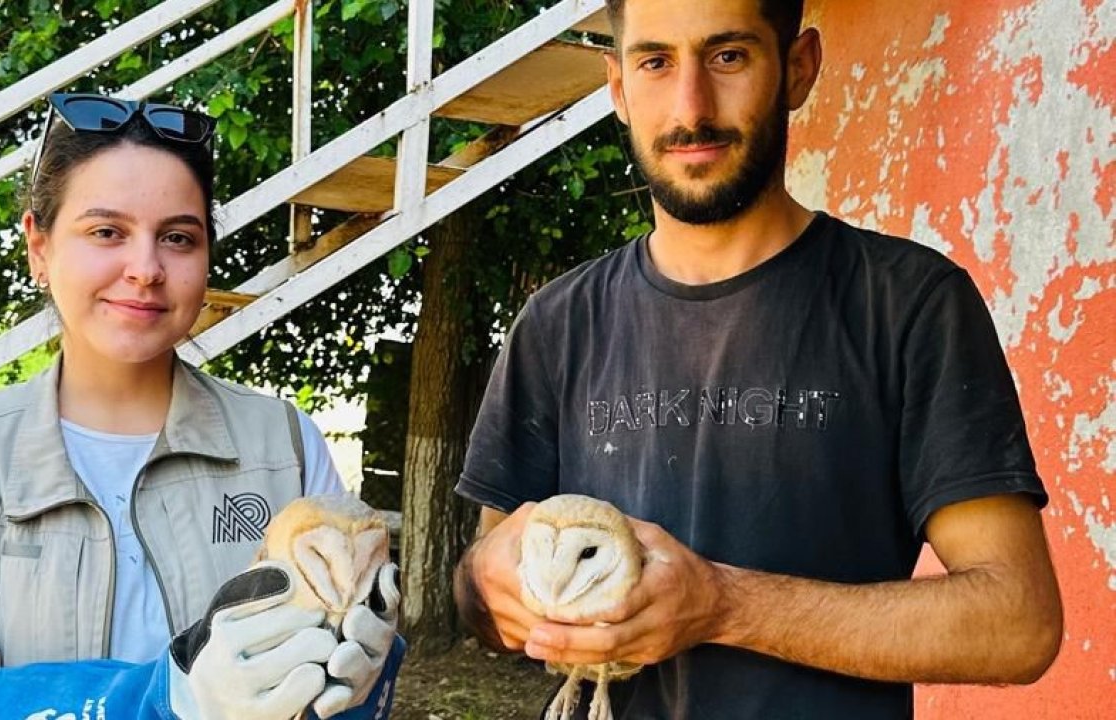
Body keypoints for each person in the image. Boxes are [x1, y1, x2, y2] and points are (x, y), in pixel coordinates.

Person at [452, 0, 1063, 717]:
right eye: (655, 62)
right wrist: (484, 588)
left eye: (728, 57)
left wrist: (723, 605)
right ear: (618, 87)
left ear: (798, 68)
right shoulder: (556, 325)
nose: (692, 107)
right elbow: (481, 590)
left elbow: (1018, 622)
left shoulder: (908, 305)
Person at [0, 92, 403, 720]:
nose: (145, 268)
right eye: (106, 232)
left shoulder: (283, 445)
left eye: (178, 237)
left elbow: (326, 678)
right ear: (38, 248)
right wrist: (170, 700)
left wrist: (355, 688)